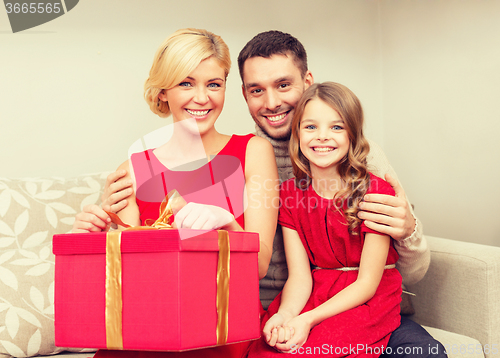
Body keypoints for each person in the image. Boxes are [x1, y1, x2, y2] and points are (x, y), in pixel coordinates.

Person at [93, 31, 445, 357]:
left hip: (364, 306)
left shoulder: (358, 159)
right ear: (244, 94)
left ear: (308, 83)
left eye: (283, 85)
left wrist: (409, 229)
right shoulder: (248, 155)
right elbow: (127, 261)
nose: (272, 102)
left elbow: (411, 272)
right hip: (282, 305)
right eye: (257, 90)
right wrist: (98, 225)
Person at [73, 28, 279, 358]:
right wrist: (90, 239)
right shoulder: (132, 167)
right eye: (186, 83)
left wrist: (226, 224)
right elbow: (129, 277)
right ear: (163, 92)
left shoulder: (253, 151)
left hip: (222, 329)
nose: (202, 97)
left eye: (214, 84)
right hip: (151, 329)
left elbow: (260, 265)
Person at [247, 81, 402, 357]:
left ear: (353, 135)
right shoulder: (291, 194)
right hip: (316, 292)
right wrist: (286, 314)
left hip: (365, 298)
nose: (322, 137)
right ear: (296, 134)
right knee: (268, 347)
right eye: (310, 127)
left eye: (336, 127)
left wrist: (307, 320)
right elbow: (300, 276)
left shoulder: (375, 191)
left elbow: (367, 284)